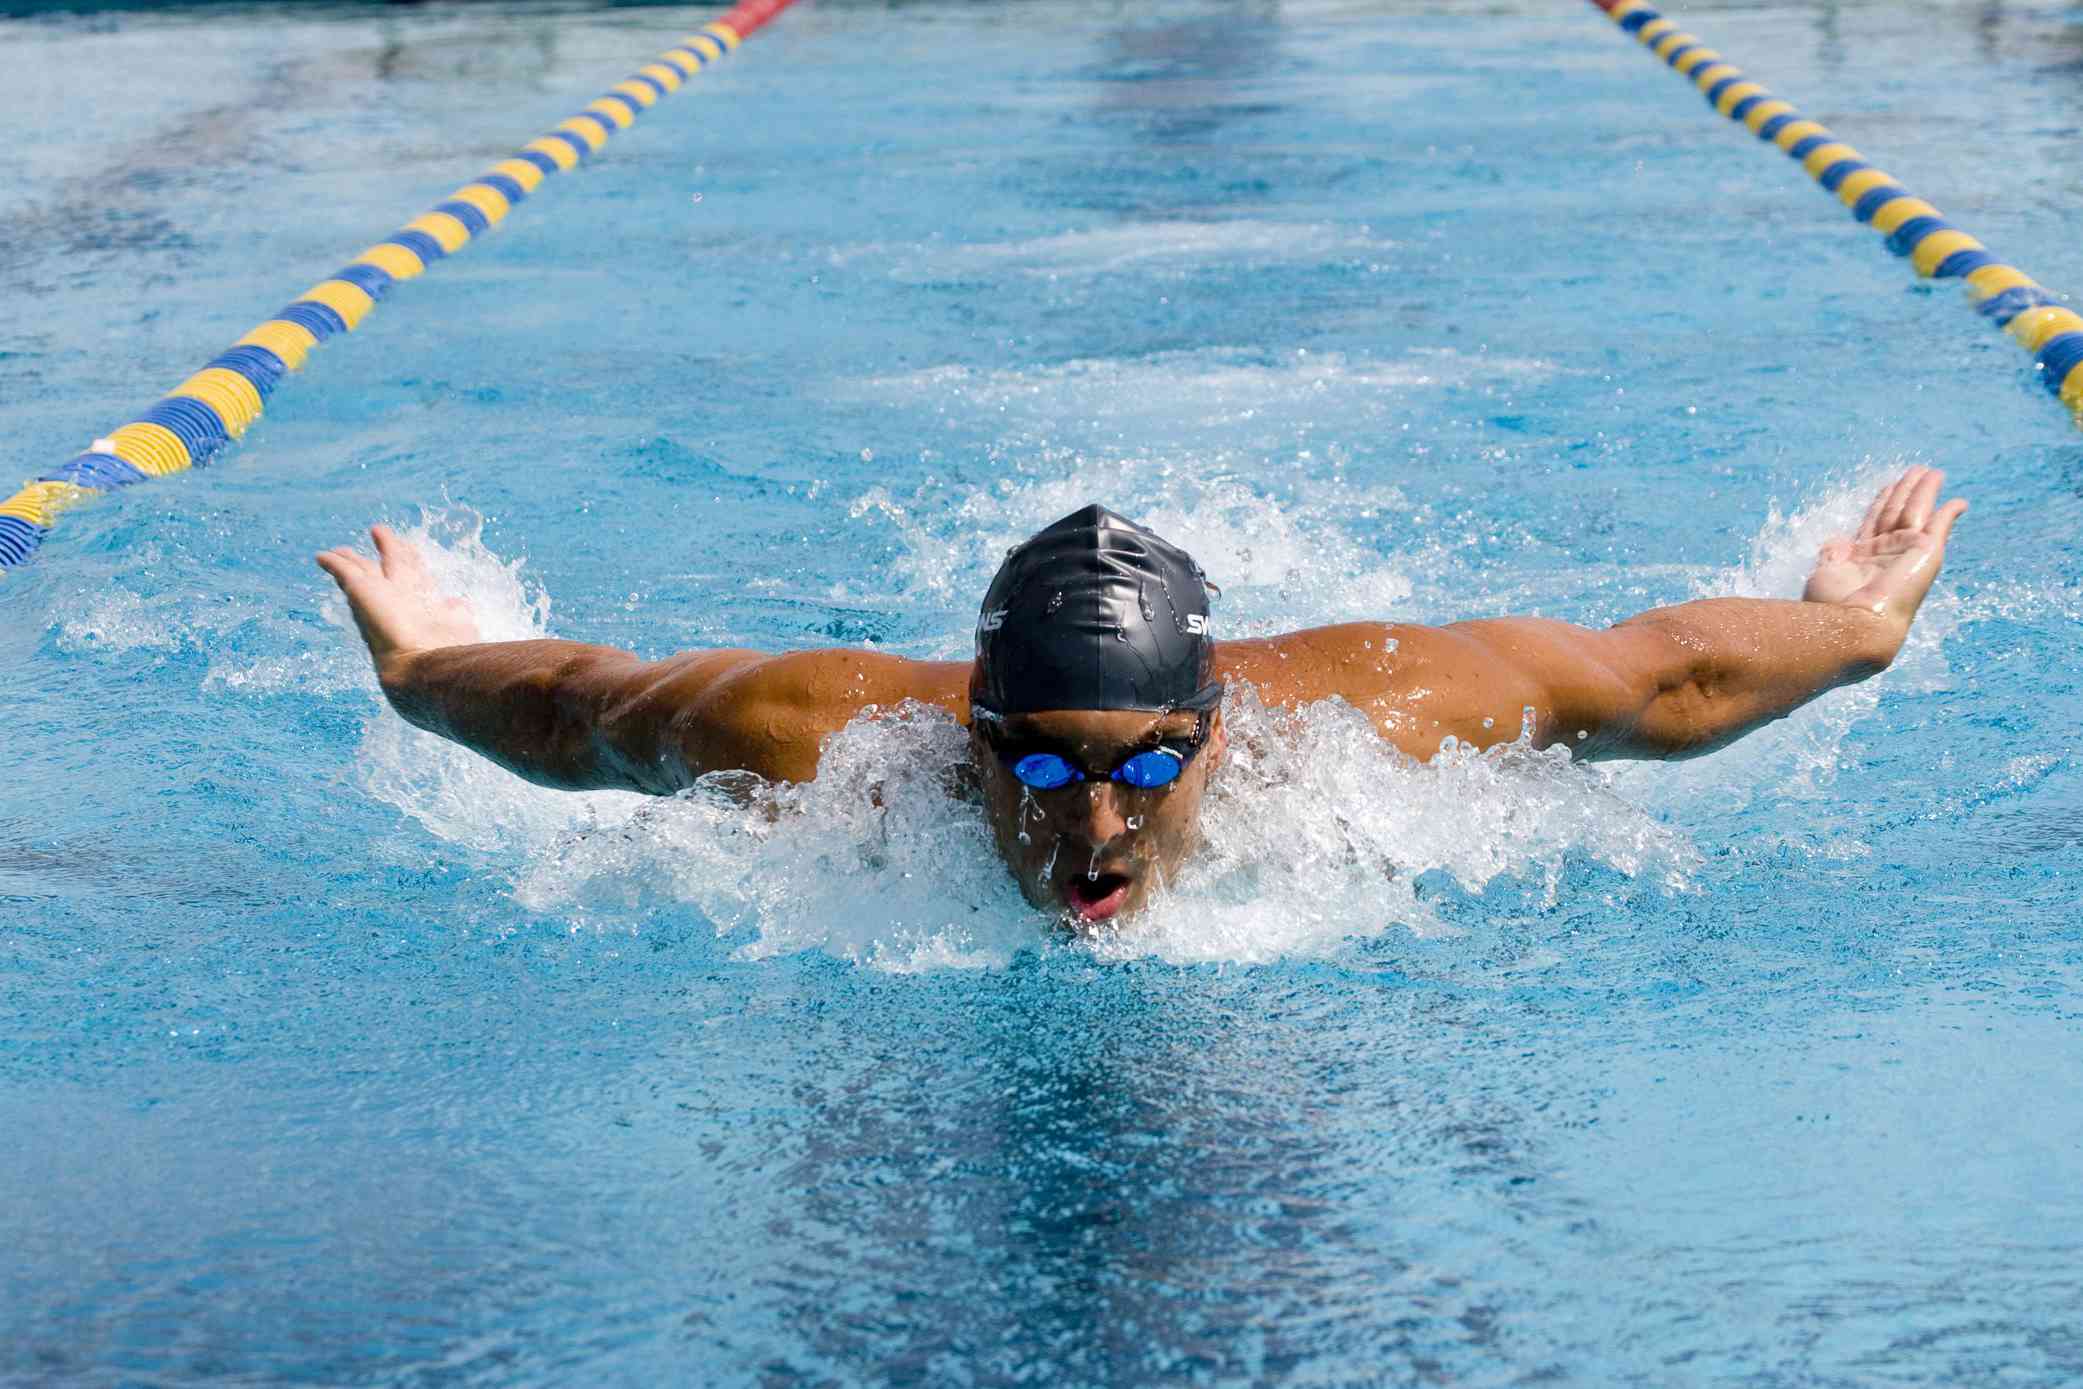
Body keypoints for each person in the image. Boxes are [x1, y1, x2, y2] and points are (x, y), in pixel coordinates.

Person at [318, 466, 1966, 927]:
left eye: (1142, 771)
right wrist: (421, 667)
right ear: (965, 727)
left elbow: (1654, 674)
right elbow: (587, 709)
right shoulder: (835, 737)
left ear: (1219, 728)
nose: (1091, 840)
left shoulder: (1369, 719)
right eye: (1035, 773)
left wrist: (1847, 628)